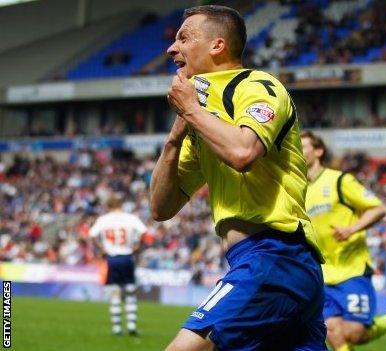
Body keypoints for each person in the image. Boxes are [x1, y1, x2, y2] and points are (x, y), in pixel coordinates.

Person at [151, 5, 326, 351]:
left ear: (218, 45)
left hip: (275, 256)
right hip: (272, 264)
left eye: (183, 38)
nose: (172, 49)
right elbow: (160, 207)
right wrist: (173, 141)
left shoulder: (256, 85)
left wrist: (191, 111)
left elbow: (243, 153)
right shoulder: (202, 115)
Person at [301, 131, 386, 351]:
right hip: (322, 274)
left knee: (356, 334)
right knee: (334, 334)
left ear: (318, 151)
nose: (298, 150)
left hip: (352, 270)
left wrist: (352, 228)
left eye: (304, 146)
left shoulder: (339, 180)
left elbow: (378, 208)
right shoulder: (298, 189)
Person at [89, 194, 146, 336]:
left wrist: (101, 248)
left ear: (108, 206)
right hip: (127, 257)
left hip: (112, 258)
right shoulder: (131, 218)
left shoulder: (103, 219)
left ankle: (117, 328)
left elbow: (91, 235)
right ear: (121, 205)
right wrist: (137, 246)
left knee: (114, 293)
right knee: (130, 292)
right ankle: (132, 325)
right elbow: (144, 232)